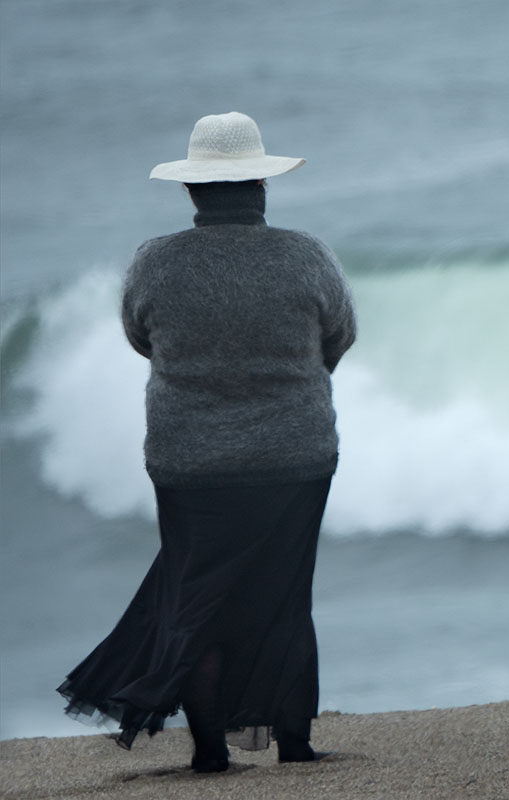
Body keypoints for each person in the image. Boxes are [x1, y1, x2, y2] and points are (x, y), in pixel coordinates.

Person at [57, 111, 356, 773]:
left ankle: (211, 753)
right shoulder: (308, 254)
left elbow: (142, 337)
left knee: (197, 597)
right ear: (262, 185)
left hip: (188, 464)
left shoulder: (153, 261)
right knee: (284, 593)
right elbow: (338, 337)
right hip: (295, 458)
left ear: (191, 191)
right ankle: (296, 744)